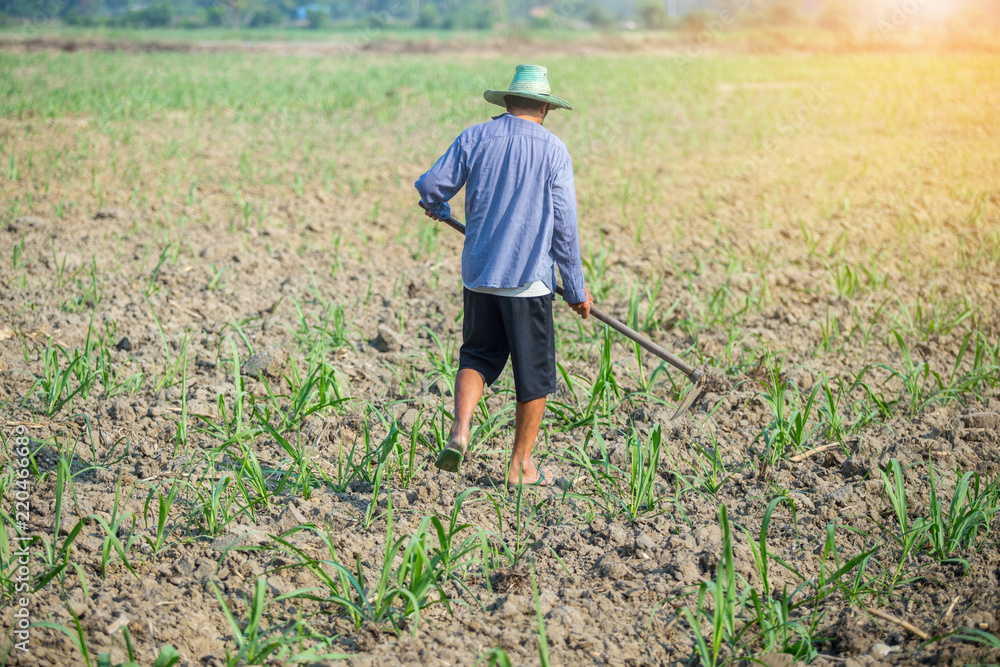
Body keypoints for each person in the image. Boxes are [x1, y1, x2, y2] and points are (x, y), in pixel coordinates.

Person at [415, 64, 594, 488]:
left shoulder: (475, 138)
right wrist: (576, 289)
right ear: (545, 109)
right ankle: (521, 467)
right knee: (533, 373)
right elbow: (564, 228)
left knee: (476, 355)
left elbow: (430, 186)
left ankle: (460, 431)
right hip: (528, 281)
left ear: (507, 103)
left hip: (479, 274)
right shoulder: (554, 151)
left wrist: (439, 208)